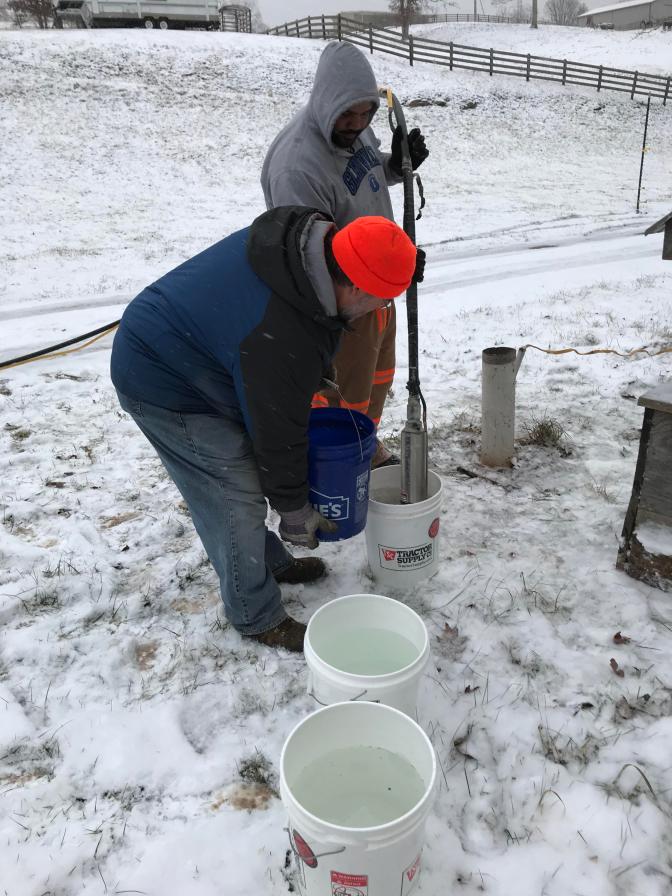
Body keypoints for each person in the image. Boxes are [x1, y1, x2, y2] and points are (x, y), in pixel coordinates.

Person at [110, 206, 417, 653]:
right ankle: (256, 615)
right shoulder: (281, 334)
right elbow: (276, 434)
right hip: (162, 378)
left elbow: (298, 339)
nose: (380, 309)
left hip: (204, 355)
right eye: (380, 299)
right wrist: (295, 512)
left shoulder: (310, 253)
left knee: (246, 472)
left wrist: (310, 374)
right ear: (354, 284)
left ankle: (265, 561)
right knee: (233, 491)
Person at [261, 41, 429, 469]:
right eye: (348, 115)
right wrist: (383, 273)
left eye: (366, 113)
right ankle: (332, 458)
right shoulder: (297, 168)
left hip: (376, 287)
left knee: (377, 379)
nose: (357, 124)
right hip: (343, 301)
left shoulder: (356, 128)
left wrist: (396, 166)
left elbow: (362, 179)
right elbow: (308, 259)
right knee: (342, 389)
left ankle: (363, 443)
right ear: (324, 102)